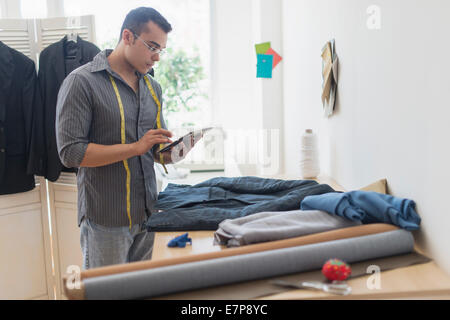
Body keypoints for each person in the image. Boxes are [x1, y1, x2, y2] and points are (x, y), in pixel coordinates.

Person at [56, 7, 192, 269]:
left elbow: (152, 150)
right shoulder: (81, 82)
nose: (157, 57)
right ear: (128, 36)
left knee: (141, 291)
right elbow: (71, 153)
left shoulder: (153, 88)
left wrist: (172, 152)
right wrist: (135, 147)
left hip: (147, 214)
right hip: (105, 219)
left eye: (161, 50)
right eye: (152, 46)